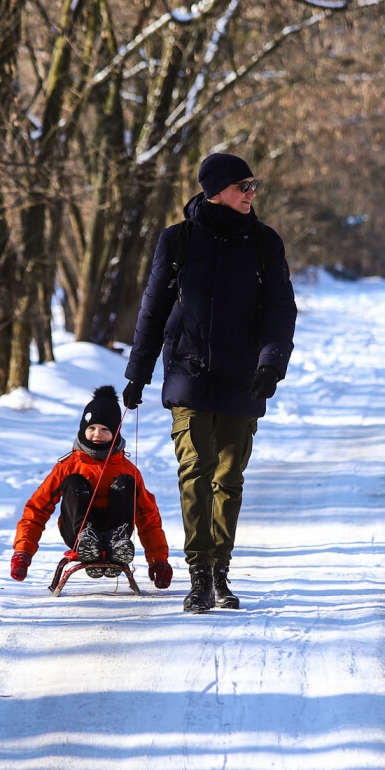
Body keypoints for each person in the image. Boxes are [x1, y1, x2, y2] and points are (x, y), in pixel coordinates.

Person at [123, 152, 297, 613]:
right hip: (188, 375)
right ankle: (198, 575)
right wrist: (138, 373)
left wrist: (271, 364)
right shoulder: (177, 242)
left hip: (243, 379)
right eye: (244, 186)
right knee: (193, 472)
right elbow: (153, 309)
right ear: (215, 190)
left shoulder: (264, 243)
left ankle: (221, 572)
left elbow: (281, 310)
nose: (252, 194)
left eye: (254, 186)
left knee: (228, 479)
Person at [10, 385, 174, 589]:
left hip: (117, 534)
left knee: (125, 482)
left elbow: (148, 515)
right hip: (77, 532)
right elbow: (37, 508)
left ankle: (117, 540)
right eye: (91, 428)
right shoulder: (68, 466)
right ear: (82, 429)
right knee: (74, 481)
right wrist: (23, 552)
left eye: (105, 429)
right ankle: (86, 539)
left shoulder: (126, 468)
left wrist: (158, 561)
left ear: (115, 432)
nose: (97, 434)